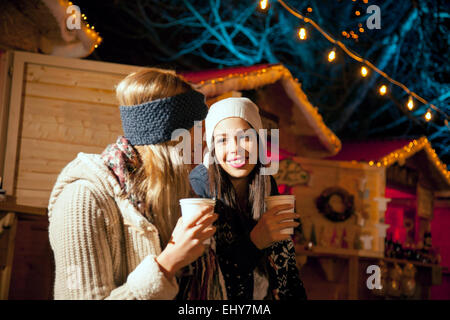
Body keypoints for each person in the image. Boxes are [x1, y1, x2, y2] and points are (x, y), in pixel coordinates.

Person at [47, 68, 219, 299]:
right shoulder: (83, 198)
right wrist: (167, 263)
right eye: (200, 134)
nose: (208, 144)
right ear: (173, 142)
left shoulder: (167, 192)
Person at [189, 97, 307, 300]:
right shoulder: (200, 185)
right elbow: (204, 271)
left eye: (245, 137)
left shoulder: (266, 182)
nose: (235, 148)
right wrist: (255, 241)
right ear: (213, 147)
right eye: (223, 140)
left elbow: (285, 265)